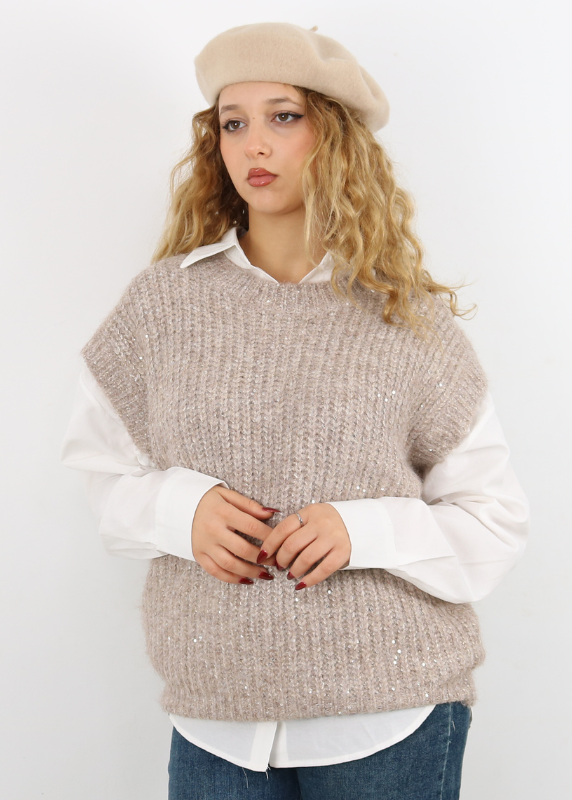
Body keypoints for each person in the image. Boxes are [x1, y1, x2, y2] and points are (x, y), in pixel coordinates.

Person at [61, 21, 529, 800]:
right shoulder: (161, 306)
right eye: (233, 123)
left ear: (335, 137)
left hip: (390, 718)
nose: (254, 144)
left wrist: (361, 530)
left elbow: (493, 521)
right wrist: (182, 510)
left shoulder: (407, 321)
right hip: (214, 720)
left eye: (283, 117)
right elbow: (101, 471)